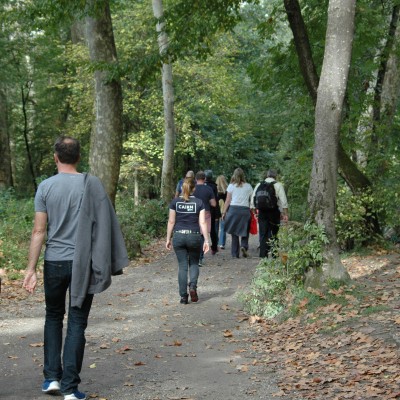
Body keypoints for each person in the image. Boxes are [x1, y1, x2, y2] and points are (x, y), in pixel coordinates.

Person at [22, 136, 129, 400]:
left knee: (53, 317)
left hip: (54, 262)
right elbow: (104, 226)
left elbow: (39, 231)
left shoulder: (45, 187)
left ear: (56, 157)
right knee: (77, 321)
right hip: (84, 263)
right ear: (79, 157)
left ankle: (51, 379)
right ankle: (70, 388)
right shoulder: (91, 185)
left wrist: (30, 269)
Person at [166, 177, 210, 304]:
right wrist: (206, 240)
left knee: (182, 266)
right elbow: (202, 222)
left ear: (182, 187)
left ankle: (183, 297)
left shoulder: (175, 202)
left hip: (179, 235)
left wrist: (168, 238)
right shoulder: (199, 202)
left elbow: (171, 221)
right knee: (194, 263)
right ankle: (192, 287)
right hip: (194, 236)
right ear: (194, 188)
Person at [251, 169, 288, 258]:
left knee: (263, 233)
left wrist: (254, 212)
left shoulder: (259, 184)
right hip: (274, 212)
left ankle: (263, 255)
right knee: (274, 233)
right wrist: (285, 214)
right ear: (275, 176)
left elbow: (253, 200)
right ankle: (274, 254)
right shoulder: (278, 185)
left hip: (262, 212)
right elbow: (284, 201)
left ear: (267, 175)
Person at [222, 168, 253, 258]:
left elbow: (227, 200)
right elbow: (252, 199)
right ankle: (244, 246)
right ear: (243, 175)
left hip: (233, 210)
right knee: (245, 230)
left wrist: (224, 212)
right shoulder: (248, 186)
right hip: (244, 210)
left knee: (234, 232)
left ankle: (235, 254)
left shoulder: (231, 186)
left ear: (234, 175)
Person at [193, 171, 217, 265]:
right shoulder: (208, 189)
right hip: (205, 213)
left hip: (193, 212)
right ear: (205, 179)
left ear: (195, 179)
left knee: (194, 233)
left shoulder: (192, 188)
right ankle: (200, 258)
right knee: (203, 234)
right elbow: (214, 203)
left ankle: (192, 256)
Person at [205, 169, 221, 255]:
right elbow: (216, 200)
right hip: (211, 210)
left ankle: (201, 246)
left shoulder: (200, 185)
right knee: (212, 230)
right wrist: (217, 214)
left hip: (202, 210)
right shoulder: (213, 186)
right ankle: (214, 247)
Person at [215, 175, 228, 249]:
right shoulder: (227, 191)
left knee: (216, 227)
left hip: (216, 210)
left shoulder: (214, 190)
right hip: (224, 210)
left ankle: (215, 242)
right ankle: (222, 243)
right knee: (223, 227)